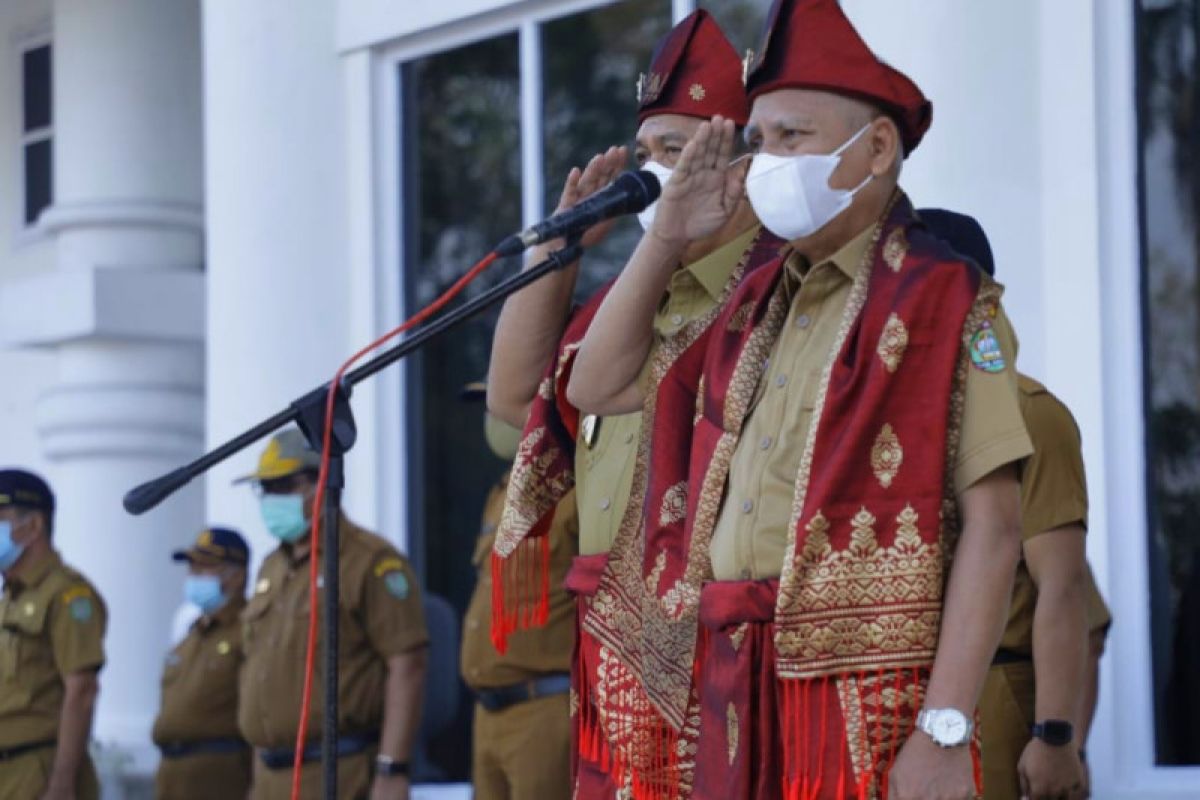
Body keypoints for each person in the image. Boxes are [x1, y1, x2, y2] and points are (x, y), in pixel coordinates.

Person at [568, 1, 1033, 797]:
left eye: (793, 137)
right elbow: (596, 385)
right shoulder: (750, 303)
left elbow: (993, 528)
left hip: (862, 694)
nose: (768, 161)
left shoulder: (946, 300)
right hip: (725, 679)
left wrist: (945, 731)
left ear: (877, 148)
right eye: (759, 141)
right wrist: (666, 237)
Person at [487, 10, 775, 795]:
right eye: (646, 155)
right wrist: (559, 251)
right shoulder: (637, 298)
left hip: (715, 655)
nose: (652, 178)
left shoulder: (770, 293)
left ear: (745, 169)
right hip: (611, 648)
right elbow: (521, 398)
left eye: (677, 155)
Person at [919, 208, 1114, 800]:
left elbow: (1064, 590)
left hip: (996, 696)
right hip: (898, 695)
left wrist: (1058, 737)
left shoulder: (1030, 413)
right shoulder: (892, 415)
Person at [236, 429, 429, 800]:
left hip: (339, 773)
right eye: (266, 489)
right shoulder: (272, 568)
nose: (272, 499)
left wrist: (393, 769)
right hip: (270, 777)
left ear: (320, 484)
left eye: (283, 487)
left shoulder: (368, 560)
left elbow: (409, 664)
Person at [459, 382, 577, 799]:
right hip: (488, 714)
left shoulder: (572, 486)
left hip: (544, 709)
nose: (494, 420)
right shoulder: (501, 490)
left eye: (500, 405)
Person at [0, 468, 106, 800]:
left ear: (32, 527)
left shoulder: (68, 594)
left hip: (37, 769)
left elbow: (82, 689)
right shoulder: (13, 597)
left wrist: (62, 780)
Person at [152, 526, 253, 799]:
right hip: (173, 775)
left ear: (236, 575)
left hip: (220, 777)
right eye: (192, 569)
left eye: (205, 568)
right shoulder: (190, 634)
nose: (194, 577)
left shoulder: (249, 631)